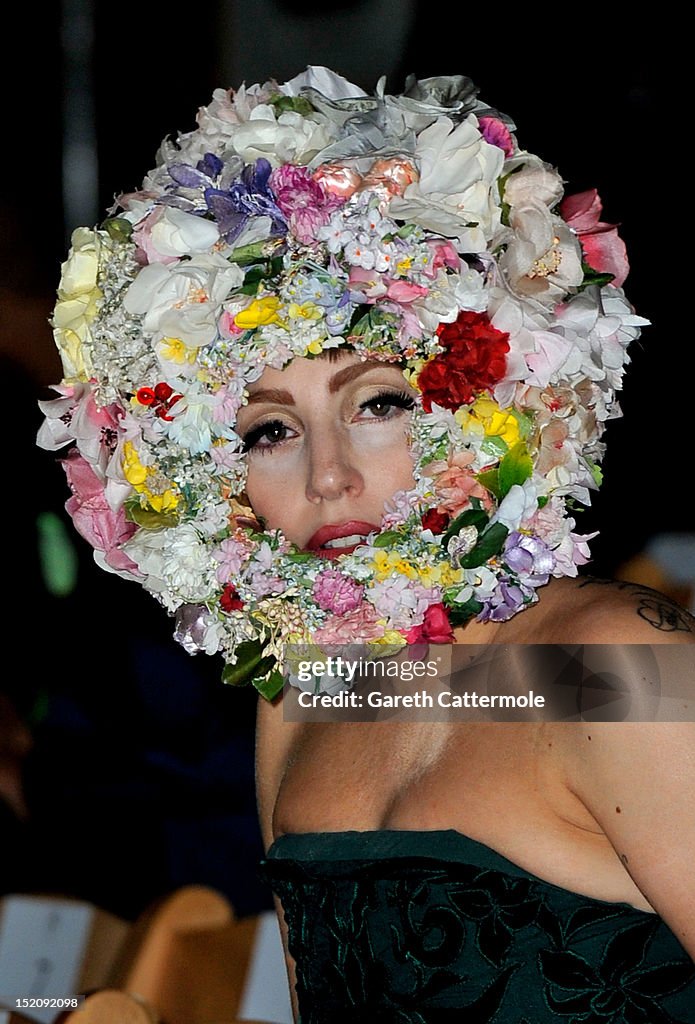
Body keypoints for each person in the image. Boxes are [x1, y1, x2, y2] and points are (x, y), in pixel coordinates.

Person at [38, 66, 695, 1021]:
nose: (328, 477)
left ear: (495, 404)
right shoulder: (310, 691)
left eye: (380, 403)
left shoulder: (618, 669)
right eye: (269, 430)